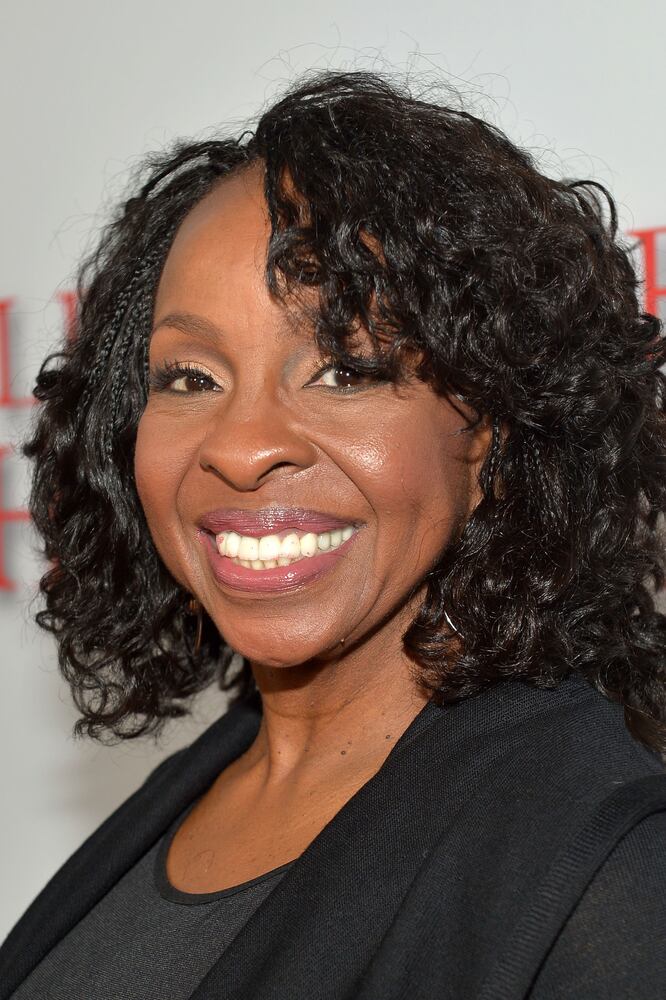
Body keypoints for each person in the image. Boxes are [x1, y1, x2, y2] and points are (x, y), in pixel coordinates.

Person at [2, 70, 666, 999]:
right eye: (191, 377)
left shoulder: (609, 878)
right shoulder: (189, 793)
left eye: (345, 371)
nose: (242, 448)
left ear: (494, 428)